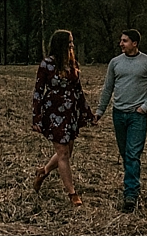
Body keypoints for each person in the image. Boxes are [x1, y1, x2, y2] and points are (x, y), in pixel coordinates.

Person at [94, 28, 147, 212]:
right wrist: (100, 111)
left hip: (136, 116)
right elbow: (108, 88)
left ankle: (130, 195)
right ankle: (133, 182)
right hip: (118, 114)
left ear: (134, 43)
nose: (121, 43)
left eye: (124, 41)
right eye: (121, 40)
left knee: (132, 154)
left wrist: (144, 107)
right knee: (125, 154)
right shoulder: (115, 63)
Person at [31, 29, 96, 206]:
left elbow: (79, 91)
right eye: (69, 42)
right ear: (60, 44)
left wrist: (88, 114)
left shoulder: (72, 63)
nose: (72, 45)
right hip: (53, 112)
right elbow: (38, 91)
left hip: (71, 112)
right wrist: (36, 118)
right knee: (63, 152)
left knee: (68, 151)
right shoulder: (46, 64)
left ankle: (43, 172)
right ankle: (72, 193)